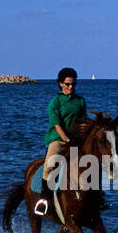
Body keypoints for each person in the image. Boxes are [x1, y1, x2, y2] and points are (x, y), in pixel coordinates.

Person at [38, 67, 87, 214]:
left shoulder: (81, 101)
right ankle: (44, 200)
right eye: (68, 84)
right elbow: (56, 124)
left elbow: (83, 122)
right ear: (60, 84)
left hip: (77, 140)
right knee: (49, 167)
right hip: (58, 140)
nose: (71, 87)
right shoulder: (55, 102)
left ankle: (97, 197)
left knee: (92, 163)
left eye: (73, 84)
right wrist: (66, 139)